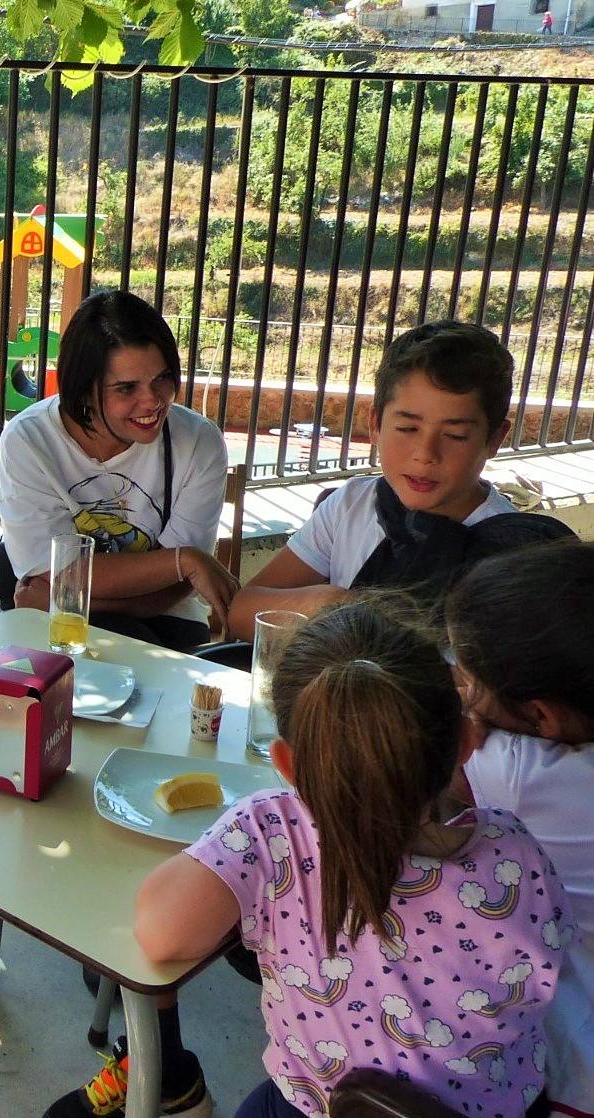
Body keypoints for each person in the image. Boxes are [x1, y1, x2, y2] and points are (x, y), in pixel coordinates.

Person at [46, 599, 569, 1118]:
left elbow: (160, 932)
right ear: (464, 744)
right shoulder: (515, 849)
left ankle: (174, 1084)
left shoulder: (274, 831)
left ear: (287, 765)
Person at [229, 320, 572, 640]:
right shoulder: (352, 506)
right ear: (375, 424)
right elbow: (242, 611)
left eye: (455, 435)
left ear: (495, 439)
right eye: (407, 428)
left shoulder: (513, 554)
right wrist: (328, 605)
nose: (425, 454)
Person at [0, 289, 234, 652]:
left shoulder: (198, 443)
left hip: (164, 621)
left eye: (162, 378)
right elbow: (48, 577)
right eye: (127, 388)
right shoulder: (29, 440)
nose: (153, 401)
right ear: (83, 391)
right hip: (36, 615)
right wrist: (183, 561)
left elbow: (176, 587)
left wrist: (64, 598)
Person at [447, 540, 594, 1117]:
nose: (459, 693)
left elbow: (387, 731)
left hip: (565, 1070)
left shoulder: (519, 773)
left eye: (468, 680)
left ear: (540, 716)